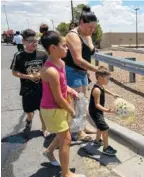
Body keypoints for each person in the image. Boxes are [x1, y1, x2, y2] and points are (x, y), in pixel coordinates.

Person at [40, 30, 85, 177]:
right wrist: (72, 111)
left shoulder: (61, 63)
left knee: (63, 134)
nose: (67, 48)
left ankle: (49, 151)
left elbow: (63, 86)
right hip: (53, 109)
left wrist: (72, 91)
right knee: (66, 138)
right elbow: (58, 98)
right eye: (64, 46)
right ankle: (66, 174)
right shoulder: (50, 71)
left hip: (62, 106)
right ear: (53, 48)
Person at [63, 5, 99, 141]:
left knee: (83, 102)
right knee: (76, 102)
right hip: (73, 71)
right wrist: (96, 69)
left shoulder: (86, 34)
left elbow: (89, 51)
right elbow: (78, 60)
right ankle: (76, 132)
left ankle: (83, 127)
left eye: (94, 27)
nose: (92, 30)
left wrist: (88, 70)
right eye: (90, 27)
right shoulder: (73, 35)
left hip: (83, 73)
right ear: (81, 23)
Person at [10, 29, 49, 137]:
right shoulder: (19, 56)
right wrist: (28, 76)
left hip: (42, 88)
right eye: (31, 41)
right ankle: (29, 120)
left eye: (36, 40)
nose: (34, 43)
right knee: (28, 110)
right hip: (27, 89)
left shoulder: (43, 54)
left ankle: (44, 128)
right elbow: (14, 72)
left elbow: (47, 68)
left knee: (43, 109)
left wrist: (41, 74)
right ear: (24, 42)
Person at [89, 66, 119, 156]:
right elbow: (97, 105)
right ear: (100, 78)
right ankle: (106, 148)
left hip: (97, 111)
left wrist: (112, 94)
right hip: (96, 112)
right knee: (105, 128)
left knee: (100, 126)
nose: (108, 80)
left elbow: (104, 90)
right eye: (107, 79)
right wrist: (107, 110)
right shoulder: (96, 90)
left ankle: (97, 141)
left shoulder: (100, 86)